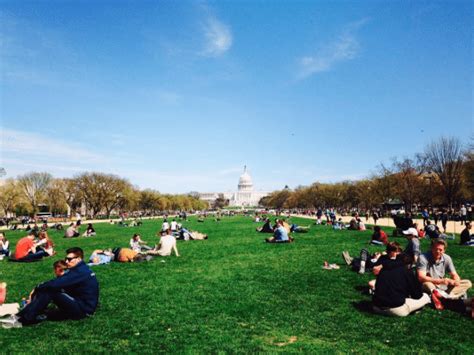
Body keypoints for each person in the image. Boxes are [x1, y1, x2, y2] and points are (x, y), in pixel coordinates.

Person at [1, 247, 99, 328]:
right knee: (49, 288)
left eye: (69, 259)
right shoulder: (80, 269)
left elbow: (55, 284)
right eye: (66, 258)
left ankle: (24, 320)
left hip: (83, 310)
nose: (66, 261)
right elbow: (58, 282)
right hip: (80, 304)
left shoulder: (80, 272)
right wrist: (40, 287)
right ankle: (21, 315)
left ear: (78, 259)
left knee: (50, 290)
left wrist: (38, 287)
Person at [372, 247, 431, 317]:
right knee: (425, 297)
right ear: (409, 264)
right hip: (395, 309)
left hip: (376, 307)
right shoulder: (406, 271)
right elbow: (417, 296)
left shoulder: (384, 269)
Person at [417, 239, 472, 307]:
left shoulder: (447, 258)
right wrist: (441, 281)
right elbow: (421, 277)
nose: (438, 251)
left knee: (467, 283)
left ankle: (442, 298)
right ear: (431, 248)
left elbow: (454, 274)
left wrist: (456, 281)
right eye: (435, 249)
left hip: (443, 287)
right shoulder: (423, 257)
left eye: (440, 250)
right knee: (428, 285)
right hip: (431, 285)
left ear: (444, 250)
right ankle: (449, 298)